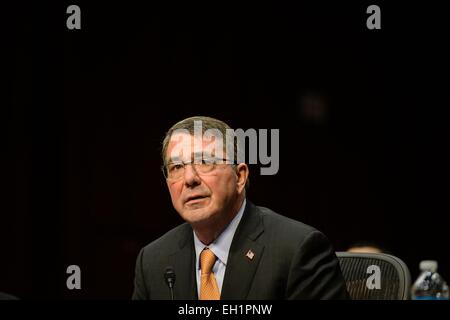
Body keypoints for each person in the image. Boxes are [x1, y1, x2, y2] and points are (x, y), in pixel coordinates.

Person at [132, 116, 349, 300]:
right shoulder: (153, 261)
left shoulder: (297, 250)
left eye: (205, 162)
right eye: (177, 167)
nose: (189, 178)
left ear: (240, 176)